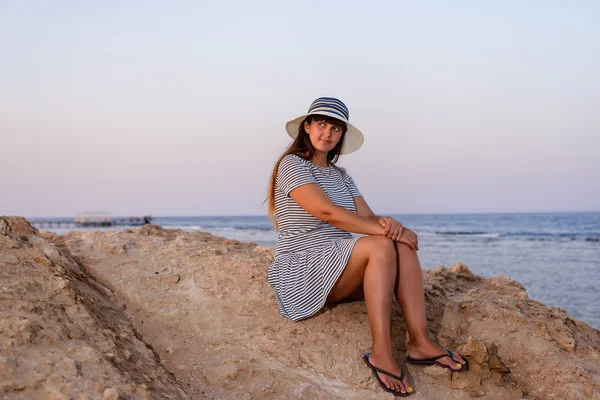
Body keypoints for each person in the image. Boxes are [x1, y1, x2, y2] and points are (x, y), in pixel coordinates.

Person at [266, 97, 468, 397]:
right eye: (321, 123)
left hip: (341, 262)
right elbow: (327, 212)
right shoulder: (293, 165)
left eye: (336, 128)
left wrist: (394, 227)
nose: (328, 133)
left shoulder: (342, 176)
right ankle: (381, 353)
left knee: (398, 244)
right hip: (303, 266)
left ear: (341, 135)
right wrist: (384, 232)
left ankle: (421, 343)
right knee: (380, 245)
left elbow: (369, 218)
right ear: (306, 126)